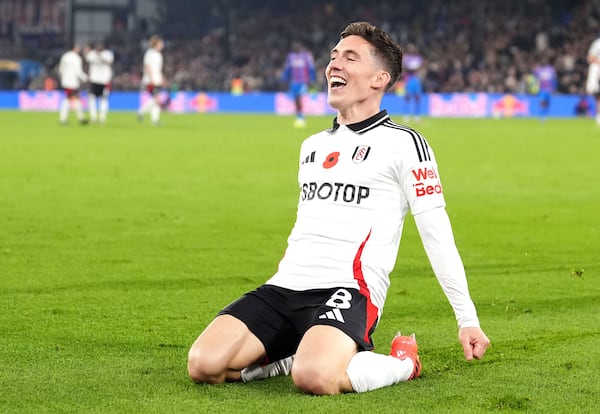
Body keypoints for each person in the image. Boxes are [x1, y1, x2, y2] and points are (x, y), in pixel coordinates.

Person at [187, 21, 490, 396]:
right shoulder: (311, 146)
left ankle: (403, 363)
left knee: (314, 378)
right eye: (333, 57)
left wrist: (467, 318)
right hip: (286, 287)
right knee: (204, 364)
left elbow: (436, 232)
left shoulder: (406, 144)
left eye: (350, 57)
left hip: (348, 290)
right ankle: (291, 355)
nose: (334, 65)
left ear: (380, 78)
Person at [281, 41, 316, 128]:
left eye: (297, 46)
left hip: (303, 81)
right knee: (296, 99)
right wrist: (284, 79)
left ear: (300, 47)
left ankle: (301, 118)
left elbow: (310, 68)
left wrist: (311, 79)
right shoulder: (290, 57)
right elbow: (287, 69)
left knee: (300, 98)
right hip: (294, 82)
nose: (296, 47)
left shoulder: (305, 57)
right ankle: (299, 117)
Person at [137, 35, 165, 125]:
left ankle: (154, 120)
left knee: (156, 99)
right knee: (157, 99)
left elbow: (158, 69)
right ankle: (141, 112)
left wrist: (162, 77)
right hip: (150, 80)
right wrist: (151, 78)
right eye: (160, 43)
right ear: (156, 44)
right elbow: (147, 66)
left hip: (157, 79)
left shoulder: (159, 54)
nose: (162, 45)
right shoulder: (149, 53)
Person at [57, 44, 88, 125]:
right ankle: (77, 118)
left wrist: (62, 77)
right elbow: (78, 71)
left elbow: (61, 69)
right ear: (75, 48)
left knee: (70, 98)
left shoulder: (65, 56)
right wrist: (85, 78)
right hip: (73, 82)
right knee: (71, 99)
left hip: (65, 81)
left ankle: (78, 118)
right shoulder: (76, 58)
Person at [84, 42, 114, 124]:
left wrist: (100, 55)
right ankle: (93, 117)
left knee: (103, 99)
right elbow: (87, 59)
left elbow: (109, 61)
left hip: (104, 80)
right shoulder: (92, 54)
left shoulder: (108, 54)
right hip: (94, 80)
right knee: (92, 99)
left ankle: (102, 118)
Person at [402, 43, 424, 122]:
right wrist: (412, 67)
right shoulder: (406, 58)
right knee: (407, 97)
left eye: (413, 48)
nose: (412, 50)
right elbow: (406, 67)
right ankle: (406, 116)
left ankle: (416, 116)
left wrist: (412, 67)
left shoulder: (418, 58)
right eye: (411, 49)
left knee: (417, 98)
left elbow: (420, 67)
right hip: (409, 79)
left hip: (416, 79)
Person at [532, 56, 557, 122]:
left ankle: (545, 116)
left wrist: (554, 88)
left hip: (549, 89)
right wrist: (534, 89)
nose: (544, 61)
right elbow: (534, 79)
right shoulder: (537, 70)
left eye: (545, 60)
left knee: (547, 103)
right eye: (542, 60)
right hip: (541, 89)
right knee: (542, 102)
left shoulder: (551, 69)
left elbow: (554, 79)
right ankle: (541, 117)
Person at [586, 35, 600, 126]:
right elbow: (590, 58)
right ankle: (598, 116)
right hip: (598, 71)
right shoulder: (598, 43)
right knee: (597, 95)